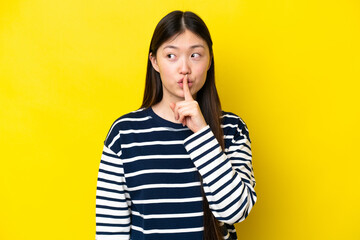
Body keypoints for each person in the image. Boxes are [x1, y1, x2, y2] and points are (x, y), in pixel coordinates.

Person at [95, 10, 257, 240]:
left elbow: (233, 211)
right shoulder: (124, 133)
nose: (184, 69)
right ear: (155, 61)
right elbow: (111, 231)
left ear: (209, 59)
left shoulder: (232, 129)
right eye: (171, 55)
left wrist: (202, 134)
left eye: (195, 55)